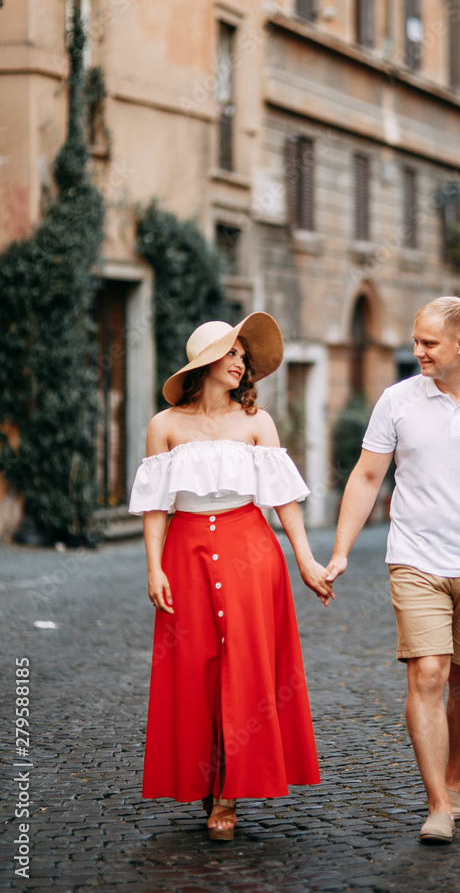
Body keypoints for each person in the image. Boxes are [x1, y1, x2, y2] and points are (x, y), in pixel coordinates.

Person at [325, 296, 460, 844]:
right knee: (428, 672)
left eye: (428, 343)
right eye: (415, 340)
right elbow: (367, 477)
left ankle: (456, 780)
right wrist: (342, 550)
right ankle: (437, 804)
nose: (416, 351)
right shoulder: (396, 401)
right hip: (415, 559)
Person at [128, 313, 333, 841]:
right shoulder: (164, 425)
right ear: (205, 365)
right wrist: (153, 568)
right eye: (232, 353)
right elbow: (156, 508)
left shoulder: (258, 424)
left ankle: (228, 793)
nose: (242, 362)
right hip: (185, 554)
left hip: (252, 552)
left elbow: (284, 501)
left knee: (245, 668)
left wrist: (307, 561)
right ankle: (202, 777)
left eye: (244, 354)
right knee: (194, 669)